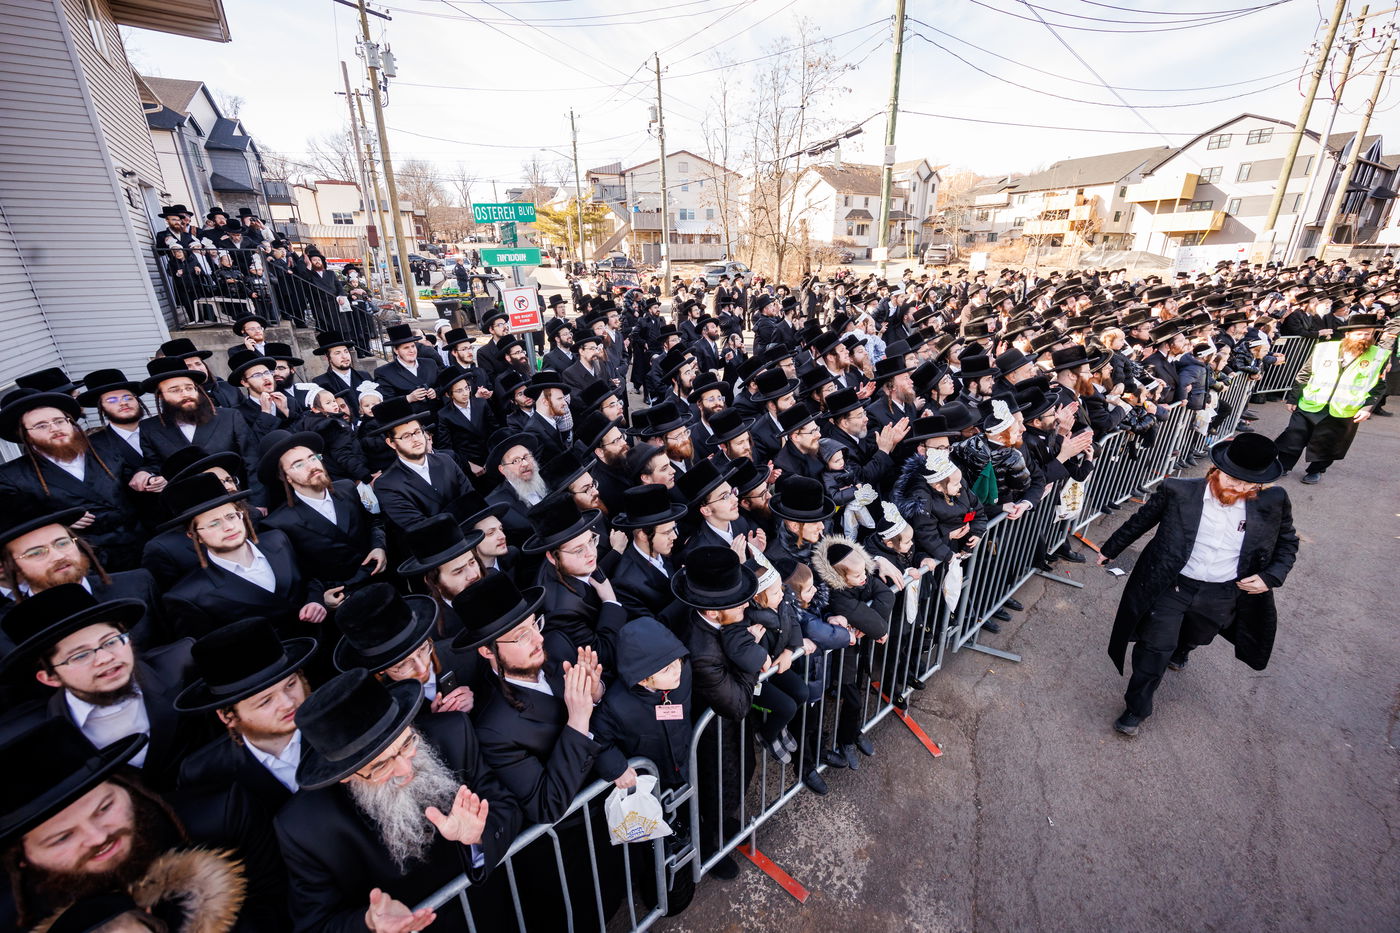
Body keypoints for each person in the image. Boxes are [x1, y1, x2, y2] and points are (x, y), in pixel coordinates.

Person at [276, 669, 522, 933]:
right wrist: (369, 923)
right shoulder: (303, 828)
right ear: (345, 777)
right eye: (381, 765)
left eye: (406, 744)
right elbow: (316, 925)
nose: (406, 769)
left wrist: (477, 837)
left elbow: (507, 808)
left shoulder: (452, 733)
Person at [0, 718, 288, 932]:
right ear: (22, 858)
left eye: (105, 808)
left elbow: (280, 912)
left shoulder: (222, 817)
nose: (99, 836)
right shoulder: (13, 919)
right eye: (62, 838)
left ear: (129, 789)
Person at [1097, 435, 1299, 737]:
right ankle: (1136, 709)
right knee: (1154, 648)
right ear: (1217, 469)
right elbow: (1141, 520)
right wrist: (1111, 548)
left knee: (1197, 634)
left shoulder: (1275, 500)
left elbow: (1287, 543)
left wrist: (1270, 577)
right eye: (1234, 479)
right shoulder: (1178, 491)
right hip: (1172, 584)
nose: (1239, 489)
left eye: (1249, 485)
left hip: (1223, 592)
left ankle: (1184, 648)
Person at [174, 618, 317, 813]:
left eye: (290, 685)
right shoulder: (203, 773)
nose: (287, 703)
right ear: (228, 717)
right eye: (265, 701)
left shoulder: (341, 725)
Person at [159, 472, 326, 640]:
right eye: (214, 524)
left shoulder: (277, 540)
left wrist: (315, 600)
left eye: (231, 516)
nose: (229, 527)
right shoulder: (188, 596)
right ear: (194, 535)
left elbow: (310, 578)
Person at [0, 388, 146, 571]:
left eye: (59, 421)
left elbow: (137, 482)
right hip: (88, 565)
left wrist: (144, 474)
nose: (55, 428)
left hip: (144, 547)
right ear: (24, 434)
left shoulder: (106, 449)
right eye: (41, 426)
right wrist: (57, 522)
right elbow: (15, 527)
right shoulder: (11, 477)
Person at [256, 430, 388, 596]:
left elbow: (373, 522)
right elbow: (299, 574)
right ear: (285, 477)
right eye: (298, 464)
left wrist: (379, 546)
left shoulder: (347, 488)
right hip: (343, 598)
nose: (312, 466)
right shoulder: (277, 524)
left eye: (313, 458)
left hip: (383, 578)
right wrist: (318, 598)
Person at [332, 582, 480, 717]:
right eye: (402, 665)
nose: (422, 668)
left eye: (422, 649)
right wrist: (435, 725)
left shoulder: (465, 654)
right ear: (381, 670)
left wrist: (476, 700)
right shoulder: (380, 708)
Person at [1274, 313, 1389, 484]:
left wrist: (1366, 408)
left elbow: (1379, 386)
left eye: (1368, 333)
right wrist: (1293, 398)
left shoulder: (1379, 355)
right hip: (1311, 402)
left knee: (1328, 443)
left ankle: (1316, 470)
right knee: (1293, 437)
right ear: (1348, 334)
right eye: (1359, 333)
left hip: (1344, 409)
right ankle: (1282, 466)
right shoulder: (1325, 348)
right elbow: (1305, 373)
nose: (1364, 337)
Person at [371, 398, 471, 557]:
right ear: (391, 443)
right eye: (406, 436)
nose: (416, 439)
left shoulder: (445, 461)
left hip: (471, 541)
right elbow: (420, 527)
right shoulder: (386, 484)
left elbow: (470, 502)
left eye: (418, 431)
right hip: (435, 555)